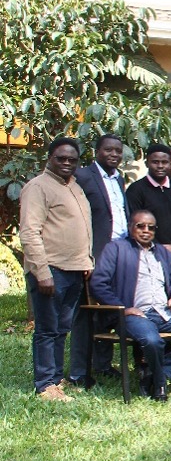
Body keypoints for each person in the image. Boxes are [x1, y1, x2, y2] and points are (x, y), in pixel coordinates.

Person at [89, 210, 171, 401]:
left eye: (151, 227)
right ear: (131, 227)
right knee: (152, 340)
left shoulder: (163, 253)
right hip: (134, 314)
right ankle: (160, 384)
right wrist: (123, 308)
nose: (146, 230)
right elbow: (98, 284)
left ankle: (157, 374)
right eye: (140, 226)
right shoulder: (116, 248)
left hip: (164, 311)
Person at [19, 137, 94, 402]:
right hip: (51, 271)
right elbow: (29, 232)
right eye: (61, 158)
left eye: (72, 160)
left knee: (62, 329)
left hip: (74, 270)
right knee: (47, 329)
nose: (66, 163)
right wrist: (42, 272)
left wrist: (87, 261)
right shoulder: (38, 187)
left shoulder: (73, 186)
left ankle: (55, 380)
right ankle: (44, 384)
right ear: (49, 158)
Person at [68, 133, 130, 388]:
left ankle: (103, 365)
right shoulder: (82, 177)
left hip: (120, 255)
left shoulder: (119, 179)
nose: (114, 155)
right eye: (108, 150)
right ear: (96, 152)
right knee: (86, 315)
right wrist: (86, 257)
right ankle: (79, 370)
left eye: (118, 151)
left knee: (108, 312)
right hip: (96, 255)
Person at [126, 143, 171, 255]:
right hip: (145, 252)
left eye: (165, 162)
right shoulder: (136, 190)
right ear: (147, 163)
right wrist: (157, 247)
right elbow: (135, 223)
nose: (160, 166)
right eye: (155, 162)